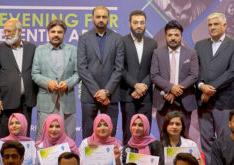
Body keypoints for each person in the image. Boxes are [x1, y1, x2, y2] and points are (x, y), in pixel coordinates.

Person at [77, 5, 124, 139]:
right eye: (98, 16)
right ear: (93, 18)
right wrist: (97, 92)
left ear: (109, 18)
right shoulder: (84, 38)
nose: (101, 19)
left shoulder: (117, 39)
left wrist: (106, 92)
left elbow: (119, 68)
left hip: (111, 95)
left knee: (110, 133)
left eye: (104, 17)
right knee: (87, 133)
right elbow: (81, 67)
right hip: (89, 95)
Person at [195, 12, 234, 165]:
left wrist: (209, 90)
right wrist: (201, 86)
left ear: (225, 25)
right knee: (206, 142)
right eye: (210, 25)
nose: (212, 27)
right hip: (203, 103)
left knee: (226, 142)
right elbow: (194, 71)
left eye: (216, 24)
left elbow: (231, 72)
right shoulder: (199, 45)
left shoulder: (232, 45)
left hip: (225, 102)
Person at [0, 18, 37, 143]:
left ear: (20, 31)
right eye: (5, 31)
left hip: (26, 100)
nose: (7, 34)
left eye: (10, 31)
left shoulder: (32, 48)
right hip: (5, 100)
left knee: (24, 135)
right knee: (2, 135)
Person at [32, 19, 79, 140]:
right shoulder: (39, 50)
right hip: (46, 100)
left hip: (67, 100)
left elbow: (78, 73)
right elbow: (35, 74)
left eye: (60, 32)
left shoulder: (73, 50)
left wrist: (67, 84)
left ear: (64, 34)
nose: (56, 34)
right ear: (48, 33)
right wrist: (47, 83)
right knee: (43, 138)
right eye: (53, 31)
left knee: (68, 138)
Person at [150, 20, 198, 132]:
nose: (173, 38)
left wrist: (177, 89)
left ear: (181, 36)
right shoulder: (157, 53)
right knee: (164, 139)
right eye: (170, 35)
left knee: (183, 139)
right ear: (165, 36)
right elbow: (154, 75)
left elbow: (194, 75)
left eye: (176, 35)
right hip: (163, 100)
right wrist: (171, 88)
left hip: (184, 101)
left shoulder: (191, 53)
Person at [120, 10, 158, 145]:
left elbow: (154, 68)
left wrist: (143, 86)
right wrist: (135, 85)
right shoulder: (122, 41)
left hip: (146, 94)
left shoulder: (152, 43)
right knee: (128, 131)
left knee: (145, 131)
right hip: (127, 94)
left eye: (142, 22)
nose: (139, 26)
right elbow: (120, 68)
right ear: (130, 24)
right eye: (135, 22)